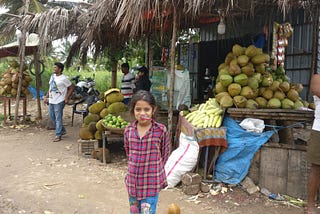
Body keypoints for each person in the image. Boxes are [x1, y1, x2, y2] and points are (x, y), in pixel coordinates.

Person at [123, 90, 170, 214]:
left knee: (147, 212)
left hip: (151, 183)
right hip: (133, 183)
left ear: (153, 110)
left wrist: (155, 168)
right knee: (134, 211)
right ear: (133, 110)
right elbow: (128, 152)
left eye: (146, 109)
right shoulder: (128, 130)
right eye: (138, 109)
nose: (142, 113)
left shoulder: (160, 130)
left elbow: (165, 154)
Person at [44, 62, 74, 142]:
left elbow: (71, 88)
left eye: (55, 68)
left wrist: (66, 97)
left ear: (60, 69)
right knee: (52, 116)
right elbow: (50, 87)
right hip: (52, 100)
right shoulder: (52, 76)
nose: (54, 69)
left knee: (58, 118)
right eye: (53, 67)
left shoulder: (64, 78)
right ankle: (62, 130)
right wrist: (46, 97)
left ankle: (58, 135)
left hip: (60, 100)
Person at [307, 73, 320, 214]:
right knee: (316, 169)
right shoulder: (317, 78)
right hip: (319, 130)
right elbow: (317, 90)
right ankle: (310, 205)